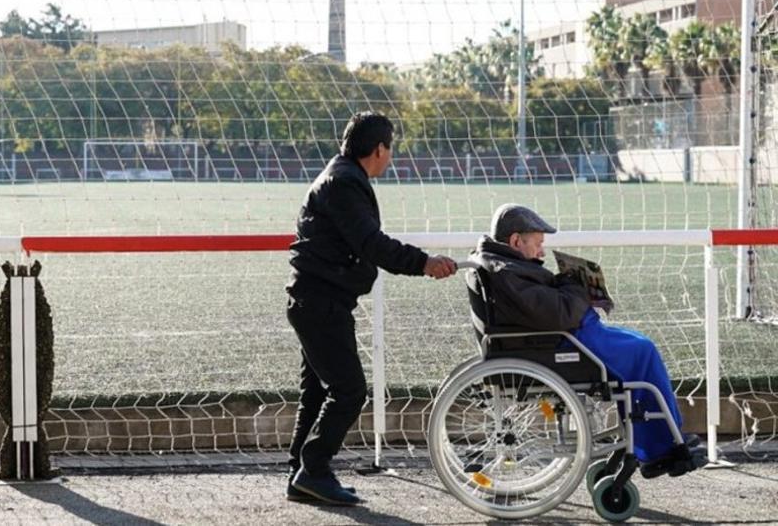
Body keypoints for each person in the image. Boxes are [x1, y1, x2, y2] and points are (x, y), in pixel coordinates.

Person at [285, 111, 457, 505]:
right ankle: (313, 468)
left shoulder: (341, 175)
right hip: (320, 301)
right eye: (390, 149)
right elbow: (371, 243)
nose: (390, 157)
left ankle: (301, 475)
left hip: (315, 300)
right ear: (379, 149)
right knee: (349, 390)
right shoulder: (344, 182)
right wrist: (424, 263)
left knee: (317, 393)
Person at [466, 203, 706, 479]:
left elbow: (544, 307)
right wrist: (575, 287)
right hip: (563, 344)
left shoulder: (504, 265)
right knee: (642, 351)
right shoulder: (505, 270)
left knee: (639, 345)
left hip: (563, 339)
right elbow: (558, 313)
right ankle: (660, 448)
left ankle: (655, 445)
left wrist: (567, 285)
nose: (542, 251)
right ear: (516, 241)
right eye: (538, 244)